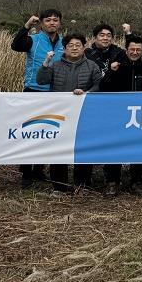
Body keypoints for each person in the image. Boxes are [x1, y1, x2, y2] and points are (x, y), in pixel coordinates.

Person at [36, 33, 103, 196]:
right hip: (59, 115)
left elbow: (99, 85)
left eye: (78, 45)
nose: (74, 48)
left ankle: (82, 185)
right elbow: (41, 80)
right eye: (70, 45)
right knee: (58, 150)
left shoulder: (92, 66)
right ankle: (59, 187)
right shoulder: (56, 65)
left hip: (84, 114)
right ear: (64, 49)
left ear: (83, 48)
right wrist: (45, 63)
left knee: (84, 149)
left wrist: (86, 92)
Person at [10, 9, 63, 188]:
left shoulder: (64, 43)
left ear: (60, 23)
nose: (52, 23)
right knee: (31, 132)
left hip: (55, 92)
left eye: (55, 20)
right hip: (33, 90)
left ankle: (39, 169)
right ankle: (26, 172)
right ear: (41, 23)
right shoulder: (33, 39)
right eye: (48, 20)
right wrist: (26, 27)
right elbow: (16, 46)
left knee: (48, 132)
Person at [98, 34, 142, 194]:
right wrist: (111, 72)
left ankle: (136, 180)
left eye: (138, 49)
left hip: (139, 116)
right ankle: (112, 181)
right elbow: (102, 87)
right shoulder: (117, 67)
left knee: (139, 148)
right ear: (126, 49)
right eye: (132, 49)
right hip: (117, 115)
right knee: (114, 147)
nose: (135, 52)